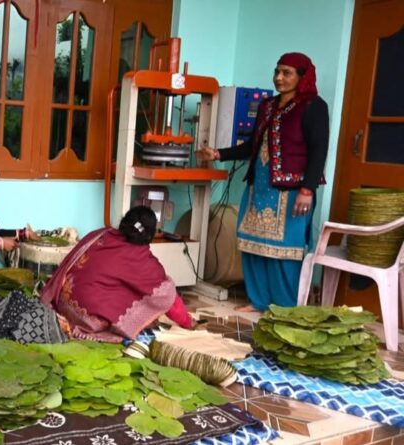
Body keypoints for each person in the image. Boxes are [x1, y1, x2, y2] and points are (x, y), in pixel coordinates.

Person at [197, 52, 329, 312]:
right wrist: (219, 154)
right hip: (260, 186)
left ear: (302, 77)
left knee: (284, 251)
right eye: (277, 72)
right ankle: (259, 301)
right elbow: (253, 146)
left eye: (287, 73)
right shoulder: (268, 106)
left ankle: (285, 306)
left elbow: (318, 150)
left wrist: (307, 189)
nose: (279, 78)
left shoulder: (313, 106)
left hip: (292, 191)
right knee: (252, 245)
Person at [40, 206, 195, 343]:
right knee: (147, 299)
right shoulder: (145, 261)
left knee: (112, 286)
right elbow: (168, 296)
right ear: (150, 235)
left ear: (124, 222)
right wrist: (188, 322)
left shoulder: (100, 234)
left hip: (62, 303)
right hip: (87, 321)